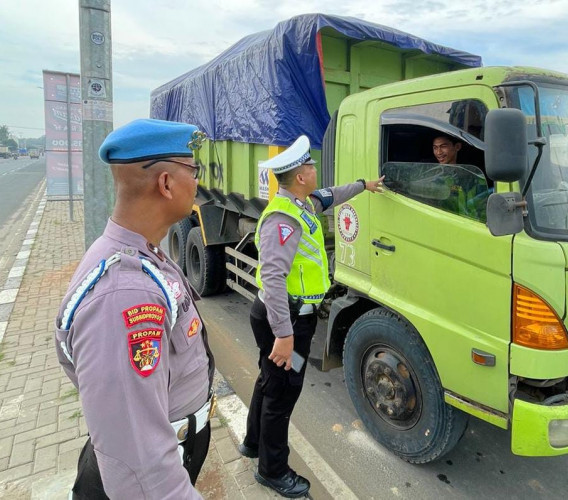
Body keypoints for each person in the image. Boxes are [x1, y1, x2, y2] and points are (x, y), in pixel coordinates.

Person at [54, 119, 216, 499]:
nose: (198, 182)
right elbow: (142, 470)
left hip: (176, 443)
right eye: (193, 171)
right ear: (166, 184)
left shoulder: (145, 253)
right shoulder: (124, 294)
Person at [239, 135, 383, 498]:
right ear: (300, 176)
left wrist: (365, 185)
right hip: (284, 319)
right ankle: (272, 471)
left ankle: (253, 443)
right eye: (311, 166)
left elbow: (332, 194)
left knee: (269, 381)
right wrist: (284, 336)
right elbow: (272, 278)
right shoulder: (283, 220)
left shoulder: (301, 204)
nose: (315, 169)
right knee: (282, 394)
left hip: (284, 316)